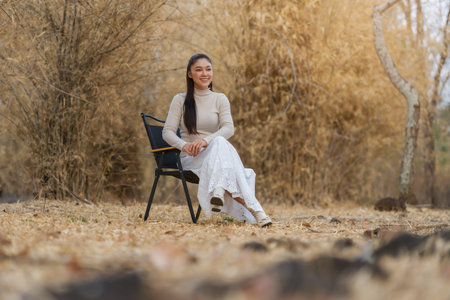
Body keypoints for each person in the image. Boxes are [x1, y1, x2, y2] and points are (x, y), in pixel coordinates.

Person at [162, 53, 272, 227]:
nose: (204, 73)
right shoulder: (180, 100)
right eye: (199, 70)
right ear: (190, 74)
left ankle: (222, 191)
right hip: (192, 159)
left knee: (219, 142)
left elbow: (229, 128)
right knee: (228, 157)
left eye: (208, 69)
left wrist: (206, 141)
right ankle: (256, 210)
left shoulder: (220, 99)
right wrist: (185, 146)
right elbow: (167, 132)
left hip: (214, 157)